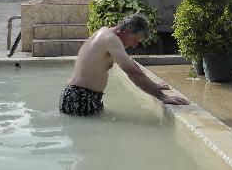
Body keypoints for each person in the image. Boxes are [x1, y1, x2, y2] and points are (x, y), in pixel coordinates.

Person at [59, 13, 189, 116]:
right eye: (134, 40)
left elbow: (132, 64)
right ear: (127, 30)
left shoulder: (109, 35)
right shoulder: (109, 38)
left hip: (83, 97)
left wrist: (154, 85)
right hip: (79, 98)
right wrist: (163, 97)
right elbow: (133, 73)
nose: (134, 45)